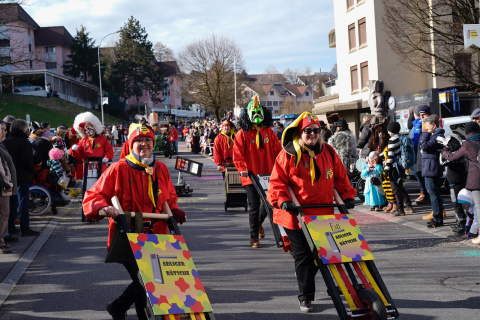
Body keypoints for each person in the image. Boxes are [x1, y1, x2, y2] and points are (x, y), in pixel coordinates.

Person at [83, 123, 186, 320]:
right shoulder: (118, 168)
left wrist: (174, 209)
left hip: (158, 235)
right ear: (131, 144)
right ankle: (128, 311)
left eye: (148, 140)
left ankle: (118, 307)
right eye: (138, 140)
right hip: (129, 234)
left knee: (151, 279)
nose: (143, 144)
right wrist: (102, 208)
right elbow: (93, 196)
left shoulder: (160, 167)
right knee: (147, 280)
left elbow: (169, 195)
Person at [267, 112, 356, 313]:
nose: (313, 134)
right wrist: (283, 201)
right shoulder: (287, 155)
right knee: (304, 256)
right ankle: (305, 296)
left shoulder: (329, 152)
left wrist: (348, 195)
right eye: (308, 131)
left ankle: (332, 285)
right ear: (300, 132)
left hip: (323, 215)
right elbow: (276, 183)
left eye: (316, 131)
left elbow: (340, 178)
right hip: (294, 215)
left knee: (323, 253)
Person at [233, 96, 281, 248]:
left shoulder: (269, 132)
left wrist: (282, 167)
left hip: (268, 176)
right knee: (254, 205)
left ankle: (258, 223)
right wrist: (242, 169)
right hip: (250, 176)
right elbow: (238, 153)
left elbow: (278, 151)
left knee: (269, 203)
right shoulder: (242, 133)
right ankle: (254, 237)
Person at [441, 121, 480, 230]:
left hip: (475, 179)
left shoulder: (468, 144)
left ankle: (476, 231)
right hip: (471, 178)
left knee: (477, 206)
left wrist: (444, 151)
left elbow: (452, 157)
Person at [3, 119, 38, 236]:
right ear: (24, 130)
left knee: (11, 203)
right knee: (23, 202)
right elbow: (28, 160)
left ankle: (11, 227)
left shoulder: (5, 141)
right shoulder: (24, 142)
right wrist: (31, 171)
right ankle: (25, 228)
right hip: (22, 176)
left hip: (9, 177)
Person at [419, 114, 446, 228]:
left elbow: (424, 146)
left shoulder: (437, 136)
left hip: (431, 167)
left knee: (433, 194)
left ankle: (437, 218)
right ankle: (438, 215)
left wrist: (425, 133)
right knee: (434, 193)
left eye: (428, 125)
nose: (426, 127)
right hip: (429, 167)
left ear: (434, 126)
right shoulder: (434, 135)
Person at [384, 121, 414, 216]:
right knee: (400, 186)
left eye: (388, 129)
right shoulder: (400, 137)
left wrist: (386, 169)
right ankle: (408, 205)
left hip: (393, 167)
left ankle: (400, 209)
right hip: (400, 166)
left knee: (395, 188)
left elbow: (390, 156)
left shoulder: (392, 139)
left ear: (391, 130)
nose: (388, 131)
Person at [440, 134, 467, 234]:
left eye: (448, 144)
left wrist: (444, 150)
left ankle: (461, 223)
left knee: (456, 203)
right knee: (466, 203)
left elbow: (442, 161)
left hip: (455, 182)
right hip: (462, 180)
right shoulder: (462, 152)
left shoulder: (453, 155)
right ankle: (464, 222)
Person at [408, 105, 431, 205]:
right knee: (417, 172)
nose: (421, 117)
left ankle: (426, 194)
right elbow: (410, 125)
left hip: (424, 153)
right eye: (420, 115)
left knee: (423, 174)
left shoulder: (429, 125)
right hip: (416, 152)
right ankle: (423, 192)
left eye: (424, 115)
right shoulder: (417, 123)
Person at [0, 120, 16, 253]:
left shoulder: (2, 145)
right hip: (2, 187)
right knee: (4, 214)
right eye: (4, 129)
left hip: (4, 186)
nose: (6, 132)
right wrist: (7, 184)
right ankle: (1, 242)